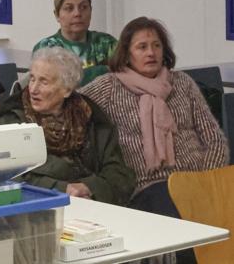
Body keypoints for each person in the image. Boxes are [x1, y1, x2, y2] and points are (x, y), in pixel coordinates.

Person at [80, 17, 229, 263]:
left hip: (197, 179)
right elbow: (71, 103)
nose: (151, 52)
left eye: (156, 45)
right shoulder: (109, 87)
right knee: (187, 228)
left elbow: (213, 137)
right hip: (148, 185)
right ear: (126, 54)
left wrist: (206, 180)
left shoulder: (182, 83)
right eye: (142, 47)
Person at [0, 47, 134, 205]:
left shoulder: (91, 117)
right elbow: (8, 176)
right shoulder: (11, 120)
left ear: (66, 90)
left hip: (93, 205)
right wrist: (62, 188)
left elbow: (118, 173)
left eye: (43, 82)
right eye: (32, 79)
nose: (33, 89)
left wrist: (89, 187)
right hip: (37, 209)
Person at [33, 0, 117, 86]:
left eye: (83, 7)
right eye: (69, 8)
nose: (77, 13)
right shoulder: (46, 48)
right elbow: (59, 84)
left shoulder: (106, 43)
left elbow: (127, 74)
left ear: (91, 11)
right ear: (57, 15)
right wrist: (103, 70)